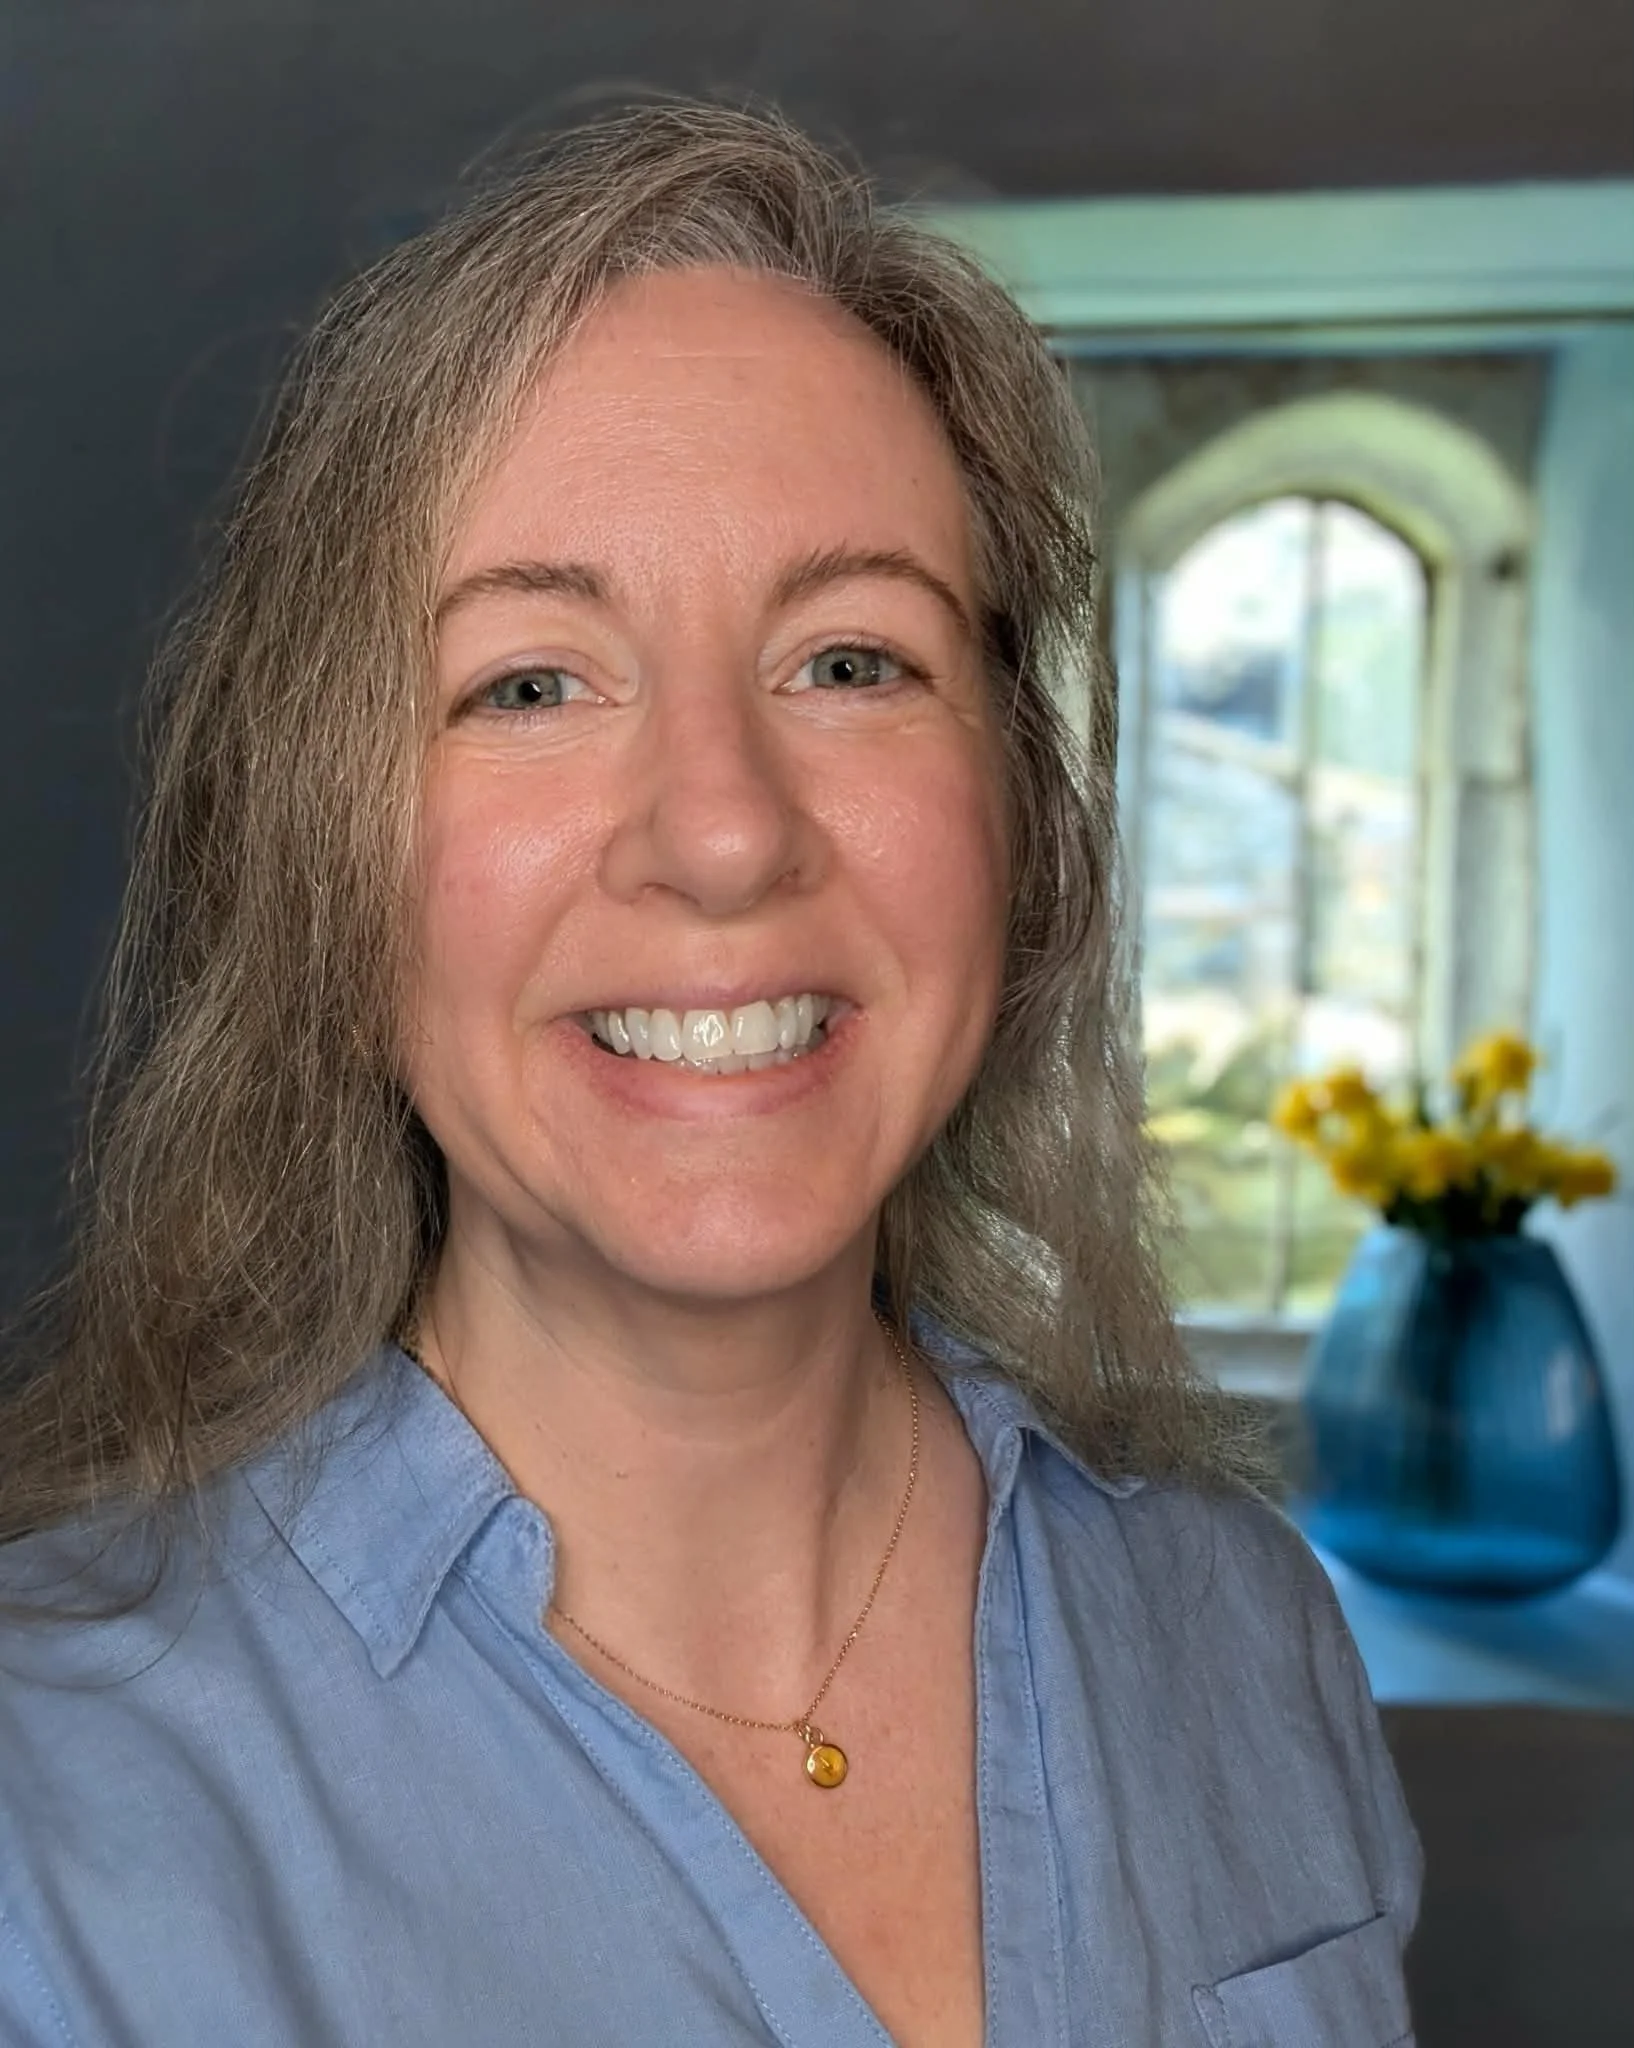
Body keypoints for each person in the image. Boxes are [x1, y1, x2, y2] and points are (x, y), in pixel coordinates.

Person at [0, 101, 1419, 2048]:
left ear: (1018, 812)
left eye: (849, 661)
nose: (727, 832)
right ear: (319, 859)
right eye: (528, 682)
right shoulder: (47, 1816)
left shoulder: (1245, 1632)